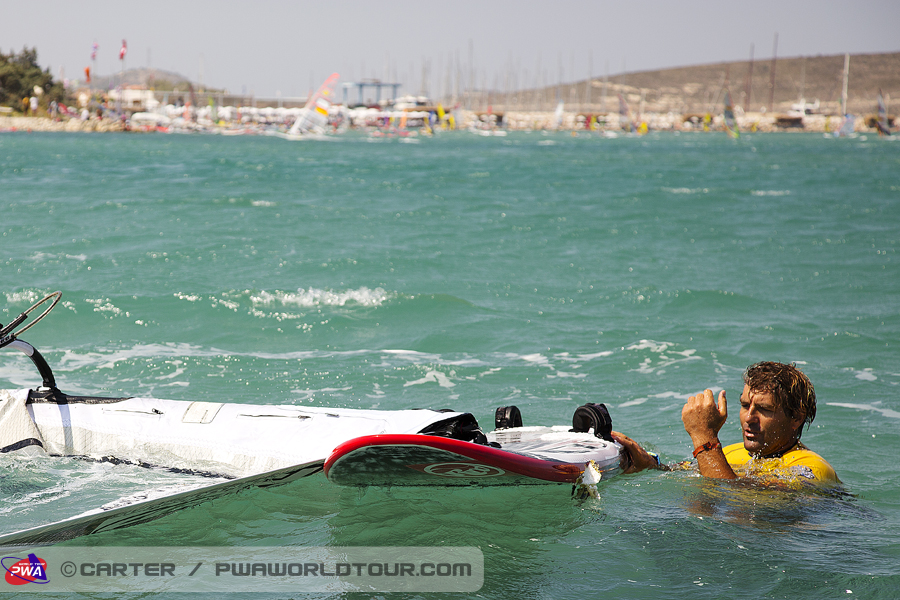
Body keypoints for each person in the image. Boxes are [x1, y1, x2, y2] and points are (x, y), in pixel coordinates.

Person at [612, 361, 839, 485]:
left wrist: (704, 435)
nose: (749, 417)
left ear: (796, 418)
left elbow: (729, 498)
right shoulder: (730, 454)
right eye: (744, 406)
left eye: (765, 409)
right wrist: (648, 464)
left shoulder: (812, 469)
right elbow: (678, 474)